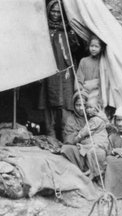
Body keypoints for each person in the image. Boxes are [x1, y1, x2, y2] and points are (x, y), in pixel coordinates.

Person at [38, 0, 79, 141]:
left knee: (66, 100)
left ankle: (65, 133)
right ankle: (50, 133)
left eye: (58, 12)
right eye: (53, 11)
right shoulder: (43, 29)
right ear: (48, 11)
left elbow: (75, 49)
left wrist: (73, 36)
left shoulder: (68, 30)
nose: (55, 15)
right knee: (48, 99)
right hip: (49, 69)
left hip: (65, 70)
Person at [61, 93, 108, 183]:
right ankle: (80, 172)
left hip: (94, 145)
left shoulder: (95, 117)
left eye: (84, 105)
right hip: (79, 146)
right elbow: (68, 138)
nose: (81, 108)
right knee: (67, 149)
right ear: (73, 106)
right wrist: (80, 136)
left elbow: (105, 131)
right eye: (78, 105)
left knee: (98, 152)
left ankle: (95, 173)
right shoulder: (71, 119)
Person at [76, 35, 106, 104]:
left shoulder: (103, 62)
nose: (93, 49)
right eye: (92, 46)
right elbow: (79, 80)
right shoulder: (84, 61)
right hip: (85, 93)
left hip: (99, 95)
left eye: (96, 46)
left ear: (101, 48)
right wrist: (81, 93)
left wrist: (94, 83)